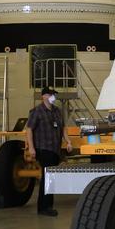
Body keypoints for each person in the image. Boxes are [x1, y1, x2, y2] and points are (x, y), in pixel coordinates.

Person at [26, 86, 71, 216]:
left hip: (55, 150)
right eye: (51, 95)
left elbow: (63, 128)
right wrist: (31, 147)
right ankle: (44, 207)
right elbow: (29, 129)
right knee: (48, 178)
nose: (53, 97)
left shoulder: (57, 111)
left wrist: (68, 141)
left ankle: (46, 206)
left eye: (54, 95)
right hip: (44, 149)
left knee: (50, 177)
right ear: (44, 96)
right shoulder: (37, 112)